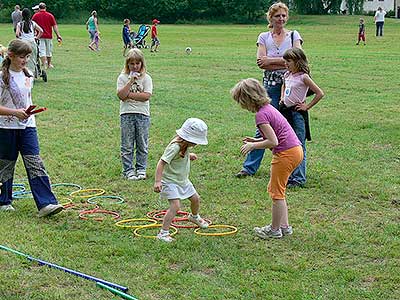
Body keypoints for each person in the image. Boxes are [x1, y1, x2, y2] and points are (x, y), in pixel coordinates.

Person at [235, 2, 302, 178]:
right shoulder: (264, 36)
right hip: (270, 85)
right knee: (263, 124)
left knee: (293, 126)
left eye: (284, 16)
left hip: (291, 86)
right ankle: (249, 168)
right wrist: (286, 61)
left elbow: (299, 60)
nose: (281, 19)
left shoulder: (294, 35)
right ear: (270, 18)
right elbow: (260, 62)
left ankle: (296, 174)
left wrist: (271, 61)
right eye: (277, 16)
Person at [231, 78, 303, 239]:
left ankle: (274, 229)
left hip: (285, 154)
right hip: (295, 150)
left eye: (240, 102)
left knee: (276, 193)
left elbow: (273, 141)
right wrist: (256, 140)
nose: (241, 106)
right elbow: (276, 135)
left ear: (247, 99)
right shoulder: (268, 108)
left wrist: (252, 146)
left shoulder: (261, 116)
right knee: (279, 192)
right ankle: (285, 227)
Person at [0, 39, 63, 217]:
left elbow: (26, 99)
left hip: (28, 126)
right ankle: (3, 200)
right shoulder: (2, 78)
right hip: (6, 127)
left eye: (28, 56)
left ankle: (46, 203)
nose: (25, 60)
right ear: (11, 56)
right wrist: (14, 112)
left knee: (35, 162)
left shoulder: (28, 75)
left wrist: (27, 111)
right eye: (22, 57)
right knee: (5, 164)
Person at [154, 118, 209, 242]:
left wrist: (189, 155)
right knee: (175, 206)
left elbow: (179, 156)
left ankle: (194, 217)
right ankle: (163, 233)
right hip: (170, 181)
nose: (196, 144)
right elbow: (161, 162)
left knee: (196, 199)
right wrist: (158, 181)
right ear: (188, 138)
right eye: (195, 141)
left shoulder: (184, 145)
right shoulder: (174, 147)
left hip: (183, 180)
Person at [279, 48, 324, 187]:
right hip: (285, 112)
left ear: (298, 61)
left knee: (298, 145)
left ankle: (299, 178)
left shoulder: (303, 77)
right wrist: (282, 98)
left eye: (289, 61)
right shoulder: (287, 74)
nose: (286, 63)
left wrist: (307, 106)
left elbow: (319, 93)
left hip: (297, 114)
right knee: (288, 144)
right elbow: (284, 86)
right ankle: (290, 174)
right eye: (285, 61)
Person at [116, 48, 153, 180]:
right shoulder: (122, 78)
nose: (135, 66)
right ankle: (128, 170)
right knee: (127, 144)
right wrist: (130, 81)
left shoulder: (147, 78)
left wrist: (129, 95)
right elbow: (121, 95)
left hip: (142, 114)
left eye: (138, 63)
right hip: (127, 114)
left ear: (142, 64)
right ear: (127, 64)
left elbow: (146, 96)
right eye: (132, 64)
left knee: (142, 143)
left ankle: (141, 168)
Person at [32, 2, 62, 69]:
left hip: (39, 36)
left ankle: (44, 65)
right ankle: (49, 64)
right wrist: (58, 35)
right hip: (48, 36)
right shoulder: (50, 15)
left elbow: (32, 26)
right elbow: (54, 26)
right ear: (45, 8)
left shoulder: (35, 16)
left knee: (42, 50)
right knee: (48, 51)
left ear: (39, 8)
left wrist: (34, 33)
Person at [16, 8, 43, 76]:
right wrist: (36, 37)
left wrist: (20, 38)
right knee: (33, 59)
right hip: (32, 42)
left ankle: (24, 73)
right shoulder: (33, 23)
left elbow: (17, 34)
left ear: (22, 15)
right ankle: (32, 74)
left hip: (23, 43)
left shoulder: (19, 24)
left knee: (22, 58)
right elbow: (41, 31)